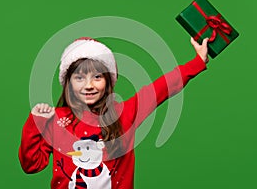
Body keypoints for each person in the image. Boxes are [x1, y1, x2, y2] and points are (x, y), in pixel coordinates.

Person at [19, 36, 209, 189]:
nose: (89, 85)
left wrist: (197, 62)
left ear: (108, 81)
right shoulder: (57, 119)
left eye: (97, 77)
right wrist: (35, 122)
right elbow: (31, 165)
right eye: (79, 78)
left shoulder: (125, 113)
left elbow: (162, 87)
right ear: (68, 83)